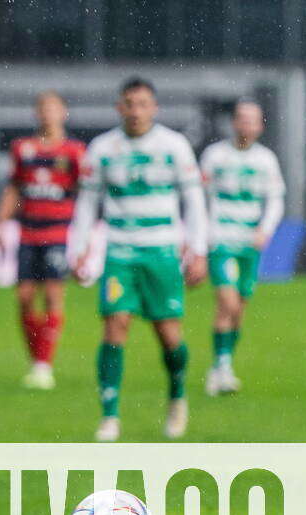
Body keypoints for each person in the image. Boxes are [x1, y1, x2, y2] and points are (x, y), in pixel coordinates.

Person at [70, 77, 207, 442]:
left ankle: (177, 395)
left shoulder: (174, 146)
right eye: (129, 103)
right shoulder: (102, 149)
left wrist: (198, 250)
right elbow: (86, 203)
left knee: (169, 337)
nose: (136, 110)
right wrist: (78, 247)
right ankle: (109, 415)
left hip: (162, 251)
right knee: (115, 325)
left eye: (143, 103)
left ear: (154, 108)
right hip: (119, 251)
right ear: (119, 107)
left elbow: (194, 201)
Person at [0, 91, 85, 389]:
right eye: (43, 109)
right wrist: (0, 223)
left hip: (57, 233)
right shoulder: (23, 149)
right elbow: (14, 187)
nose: (48, 114)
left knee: (53, 295)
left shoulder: (74, 152)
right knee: (23, 298)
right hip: (28, 233)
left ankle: (45, 364)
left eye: (53, 109)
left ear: (64, 114)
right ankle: (36, 361)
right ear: (37, 114)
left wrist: (87, 234)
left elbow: (85, 193)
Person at [199, 100, 285, 395]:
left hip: (250, 242)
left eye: (252, 121)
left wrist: (265, 229)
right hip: (221, 240)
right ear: (234, 123)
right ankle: (222, 367)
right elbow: (201, 198)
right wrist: (205, 236)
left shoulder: (266, 160)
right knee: (228, 302)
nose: (246, 125)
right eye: (242, 119)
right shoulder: (215, 156)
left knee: (239, 308)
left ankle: (221, 366)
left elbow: (275, 199)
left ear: (260, 126)